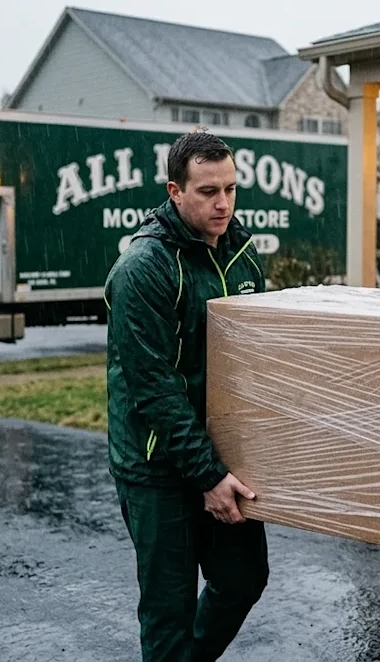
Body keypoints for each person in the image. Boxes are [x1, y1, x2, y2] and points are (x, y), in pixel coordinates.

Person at [104, 130, 268, 662]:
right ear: (175, 191)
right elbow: (154, 390)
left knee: (243, 579)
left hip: (219, 455)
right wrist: (207, 477)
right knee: (168, 612)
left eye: (231, 188)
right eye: (207, 191)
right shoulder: (144, 268)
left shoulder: (242, 256)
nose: (223, 203)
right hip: (156, 465)